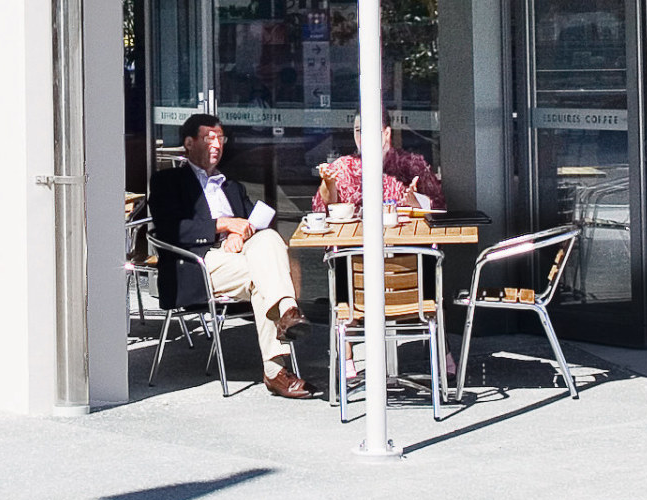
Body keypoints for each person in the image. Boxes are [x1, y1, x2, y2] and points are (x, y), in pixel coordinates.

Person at [147, 114, 313, 396]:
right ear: (189, 143)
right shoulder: (168, 181)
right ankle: (280, 349)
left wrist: (240, 233)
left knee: (270, 239)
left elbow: (254, 222)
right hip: (199, 260)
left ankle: (281, 338)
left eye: (220, 137)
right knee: (267, 275)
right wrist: (222, 225)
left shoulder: (231, 186)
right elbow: (169, 229)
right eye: (208, 137)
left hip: (241, 258)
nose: (217, 143)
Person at [313, 117, 444, 215]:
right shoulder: (343, 167)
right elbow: (321, 212)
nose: (364, 137)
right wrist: (329, 183)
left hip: (405, 246)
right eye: (359, 130)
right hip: (353, 247)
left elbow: (440, 207)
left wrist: (418, 203)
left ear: (386, 133)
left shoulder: (412, 165)